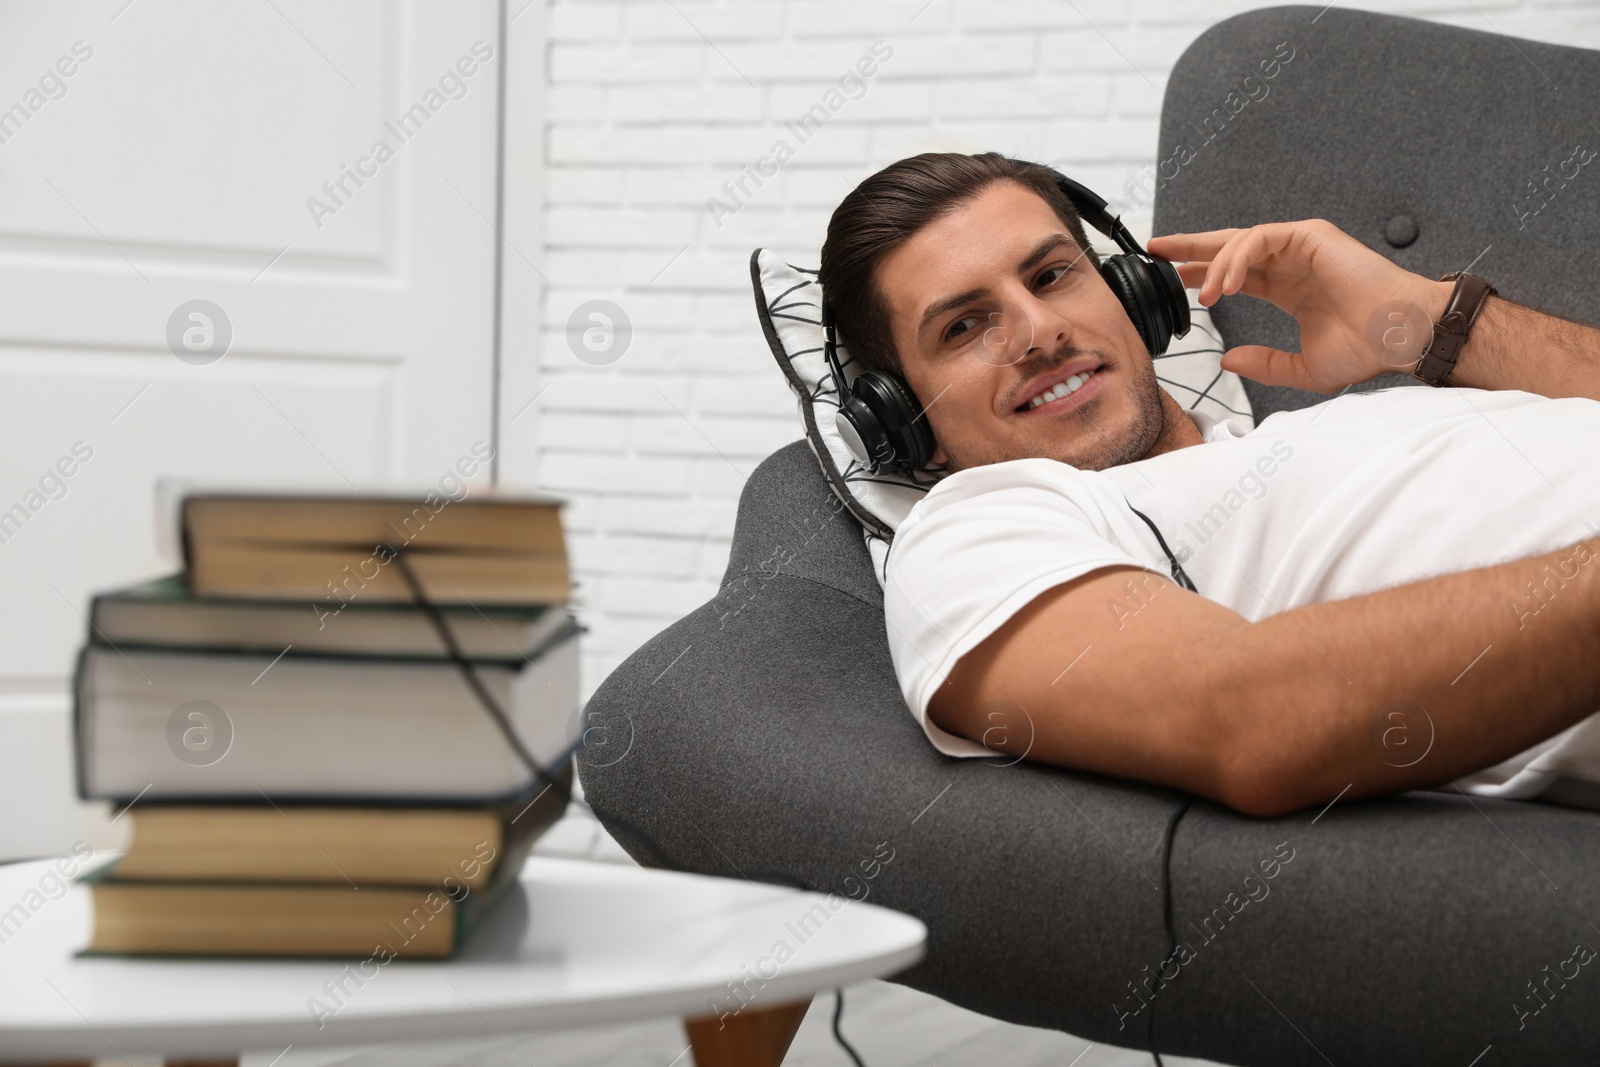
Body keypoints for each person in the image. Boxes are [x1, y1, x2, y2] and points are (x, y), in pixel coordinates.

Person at [817, 151, 1600, 816]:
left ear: (1132, 292)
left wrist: (1431, 320)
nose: (1039, 332)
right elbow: (1252, 721)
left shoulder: (1304, 439)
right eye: (962, 326)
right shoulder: (971, 534)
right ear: (903, 422)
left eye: (1053, 275)